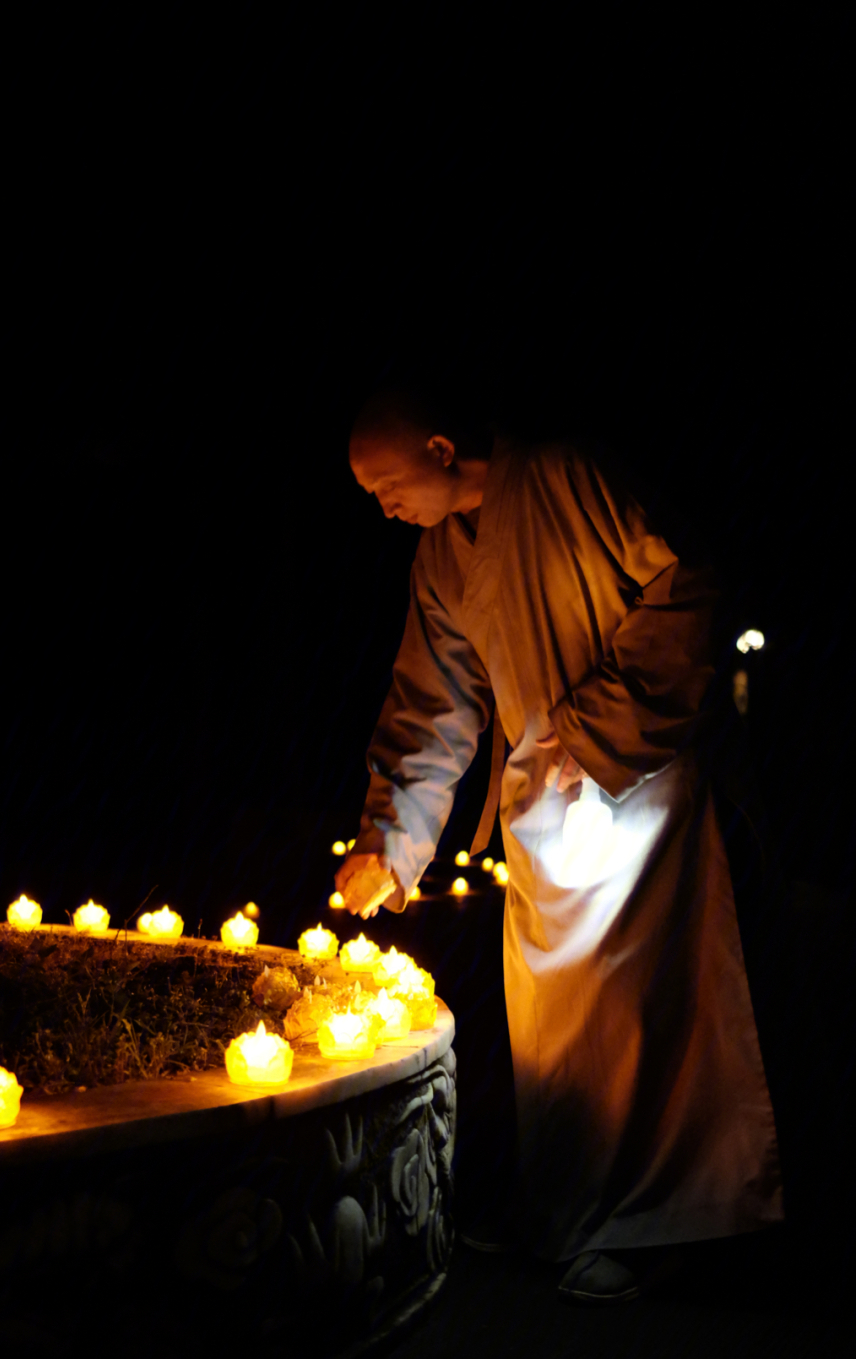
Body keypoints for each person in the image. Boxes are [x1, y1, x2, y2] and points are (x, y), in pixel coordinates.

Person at [336, 389, 783, 1304]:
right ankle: (569, 1211)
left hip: (634, 788)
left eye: (386, 482)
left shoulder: (567, 476)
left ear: (441, 443)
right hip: (544, 814)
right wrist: (390, 837)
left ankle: (658, 1223)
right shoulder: (440, 556)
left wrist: (597, 736)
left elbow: (685, 578)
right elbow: (433, 700)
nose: (382, 504)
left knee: (636, 1022)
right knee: (557, 1034)